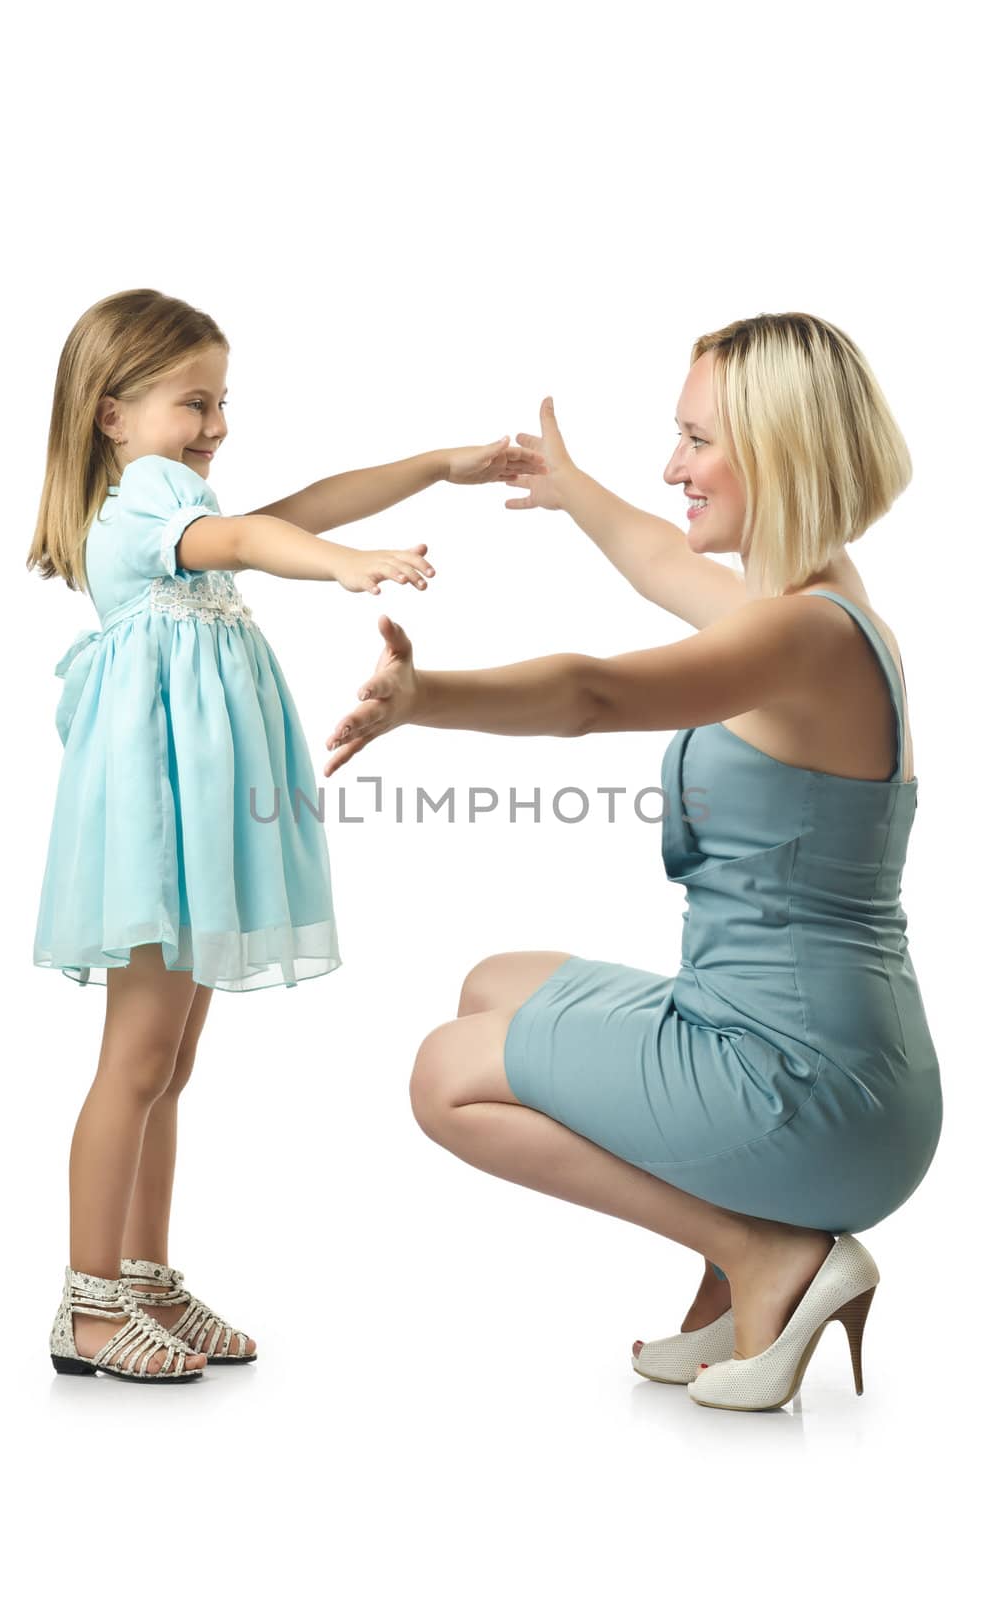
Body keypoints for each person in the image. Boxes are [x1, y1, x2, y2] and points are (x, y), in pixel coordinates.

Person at [323, 312, 944, 1413]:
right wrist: (572, 490)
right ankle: (731, 1273)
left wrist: (429, 700)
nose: (673, 468)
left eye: (698, 440)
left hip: (808, 1087)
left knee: (445, 1072)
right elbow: (660, 559)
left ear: (782, 446)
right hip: (824, 1055)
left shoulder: (798, 640)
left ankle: (766, 1256)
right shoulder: (819, 608)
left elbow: (591, 690)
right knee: (494, 983)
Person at [30, 287, 546, 1382]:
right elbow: (268, 533)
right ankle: (86, 1306)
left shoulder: (179, 513)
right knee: (135, 1059)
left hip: (195, 827)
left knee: (167, 1064)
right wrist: (343, 564)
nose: (214, 426)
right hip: (158, 831)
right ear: (112, 414)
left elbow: (299, 502)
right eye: (193, 403)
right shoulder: (143, 509)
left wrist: (437, 466)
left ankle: (141, 1274)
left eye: (222, 402)